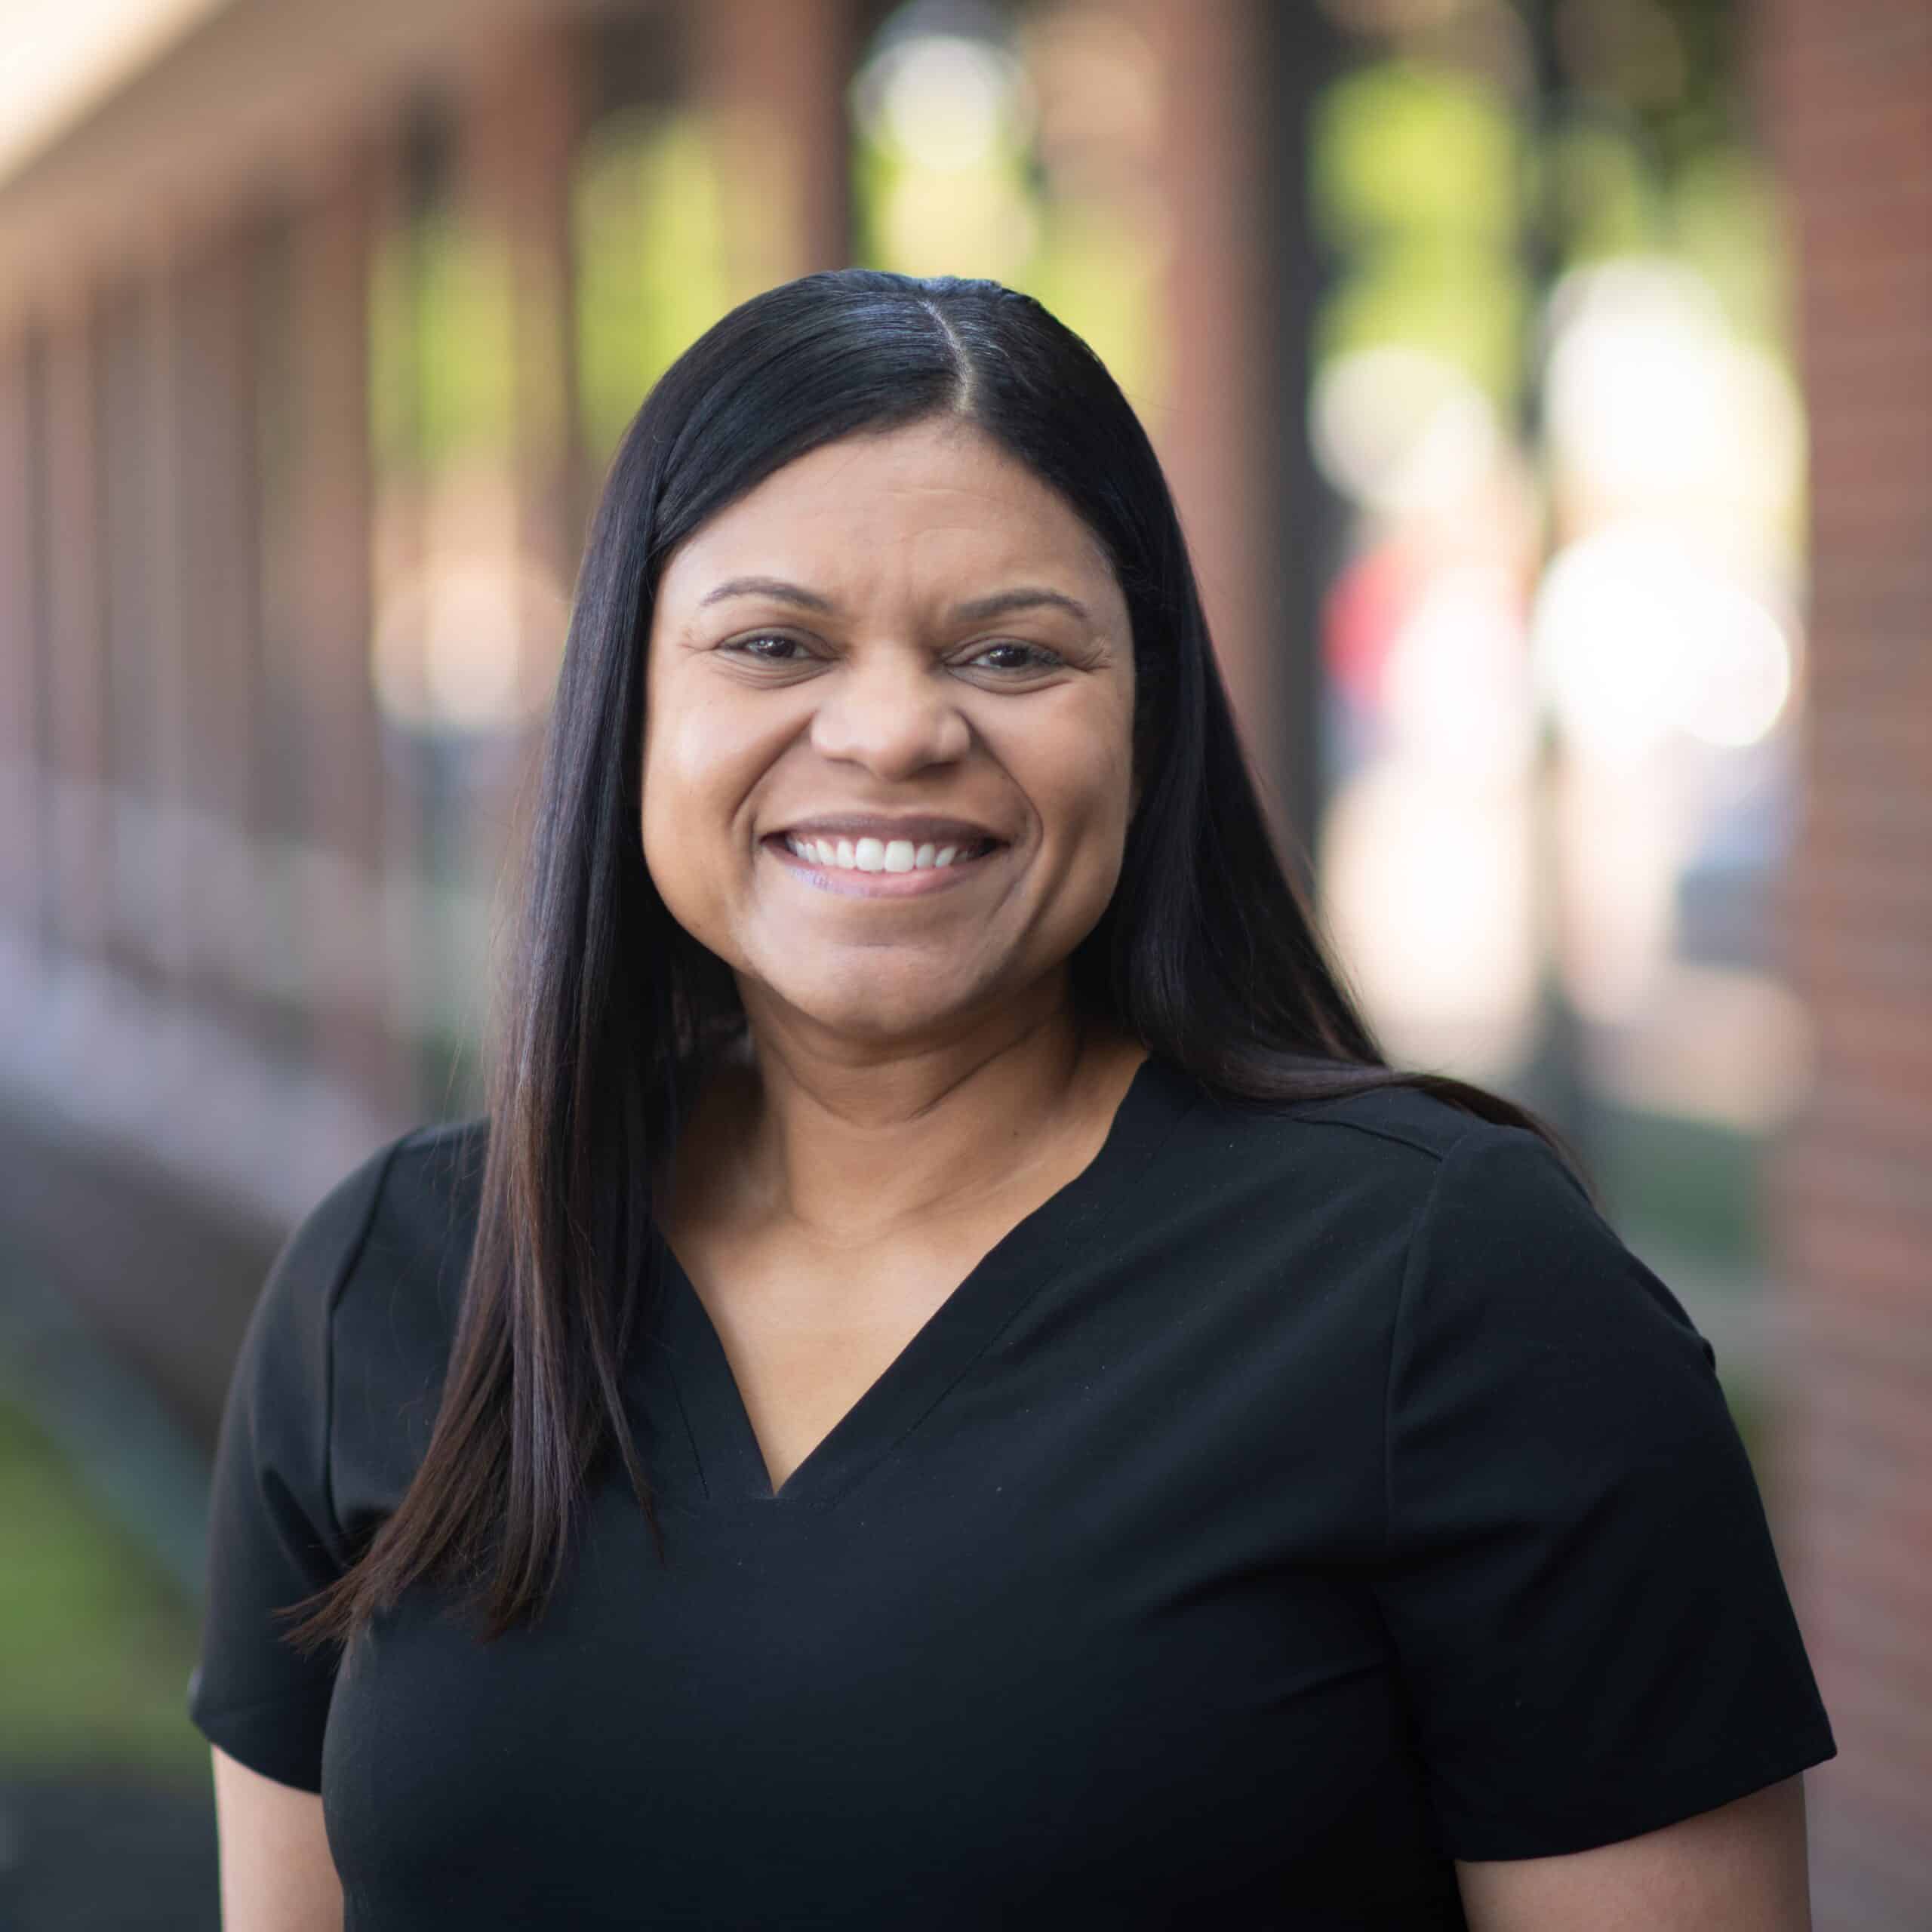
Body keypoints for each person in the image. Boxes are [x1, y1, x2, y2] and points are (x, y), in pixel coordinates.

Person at [189, 269, 1835, 1930]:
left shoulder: (1457, 1291)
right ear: (630, 700)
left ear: (1147, 714)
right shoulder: (393, 1279)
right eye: (774, 642)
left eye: (1010, 649)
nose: (895, 728)